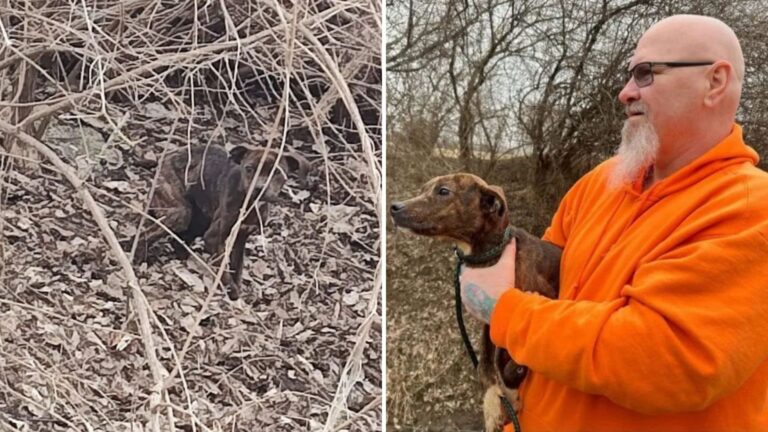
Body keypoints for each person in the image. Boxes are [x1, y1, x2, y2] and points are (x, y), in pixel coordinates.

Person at [460, 14, 768, 431]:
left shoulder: (750, 208)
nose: (625, 93)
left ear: (714, 82)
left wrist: (506, 311)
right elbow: (538, 286)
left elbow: (663, 360)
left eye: (646, 74)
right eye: (628, 75)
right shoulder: (603, 182)